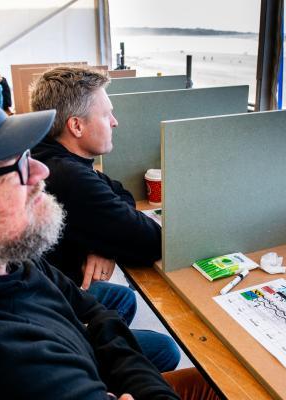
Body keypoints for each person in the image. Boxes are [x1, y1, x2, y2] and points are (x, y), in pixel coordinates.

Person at [0, 74, 219, 400]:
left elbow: (93, 311)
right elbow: (91, 320)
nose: (41, 170)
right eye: (10, 164)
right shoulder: (1, 362)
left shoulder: (6, 257)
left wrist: (96, 334)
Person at [30, 66, 181, 372]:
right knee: (167, 350)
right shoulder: (70, 177)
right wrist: (108, 235)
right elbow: (152, 242)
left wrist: (102, 242)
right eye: (106, 115)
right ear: (76, 126)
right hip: (53, 316)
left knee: (123, 298)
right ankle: (102, 367)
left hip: (48, 292)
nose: (115, 122)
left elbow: (119, 193)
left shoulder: (49, 154)